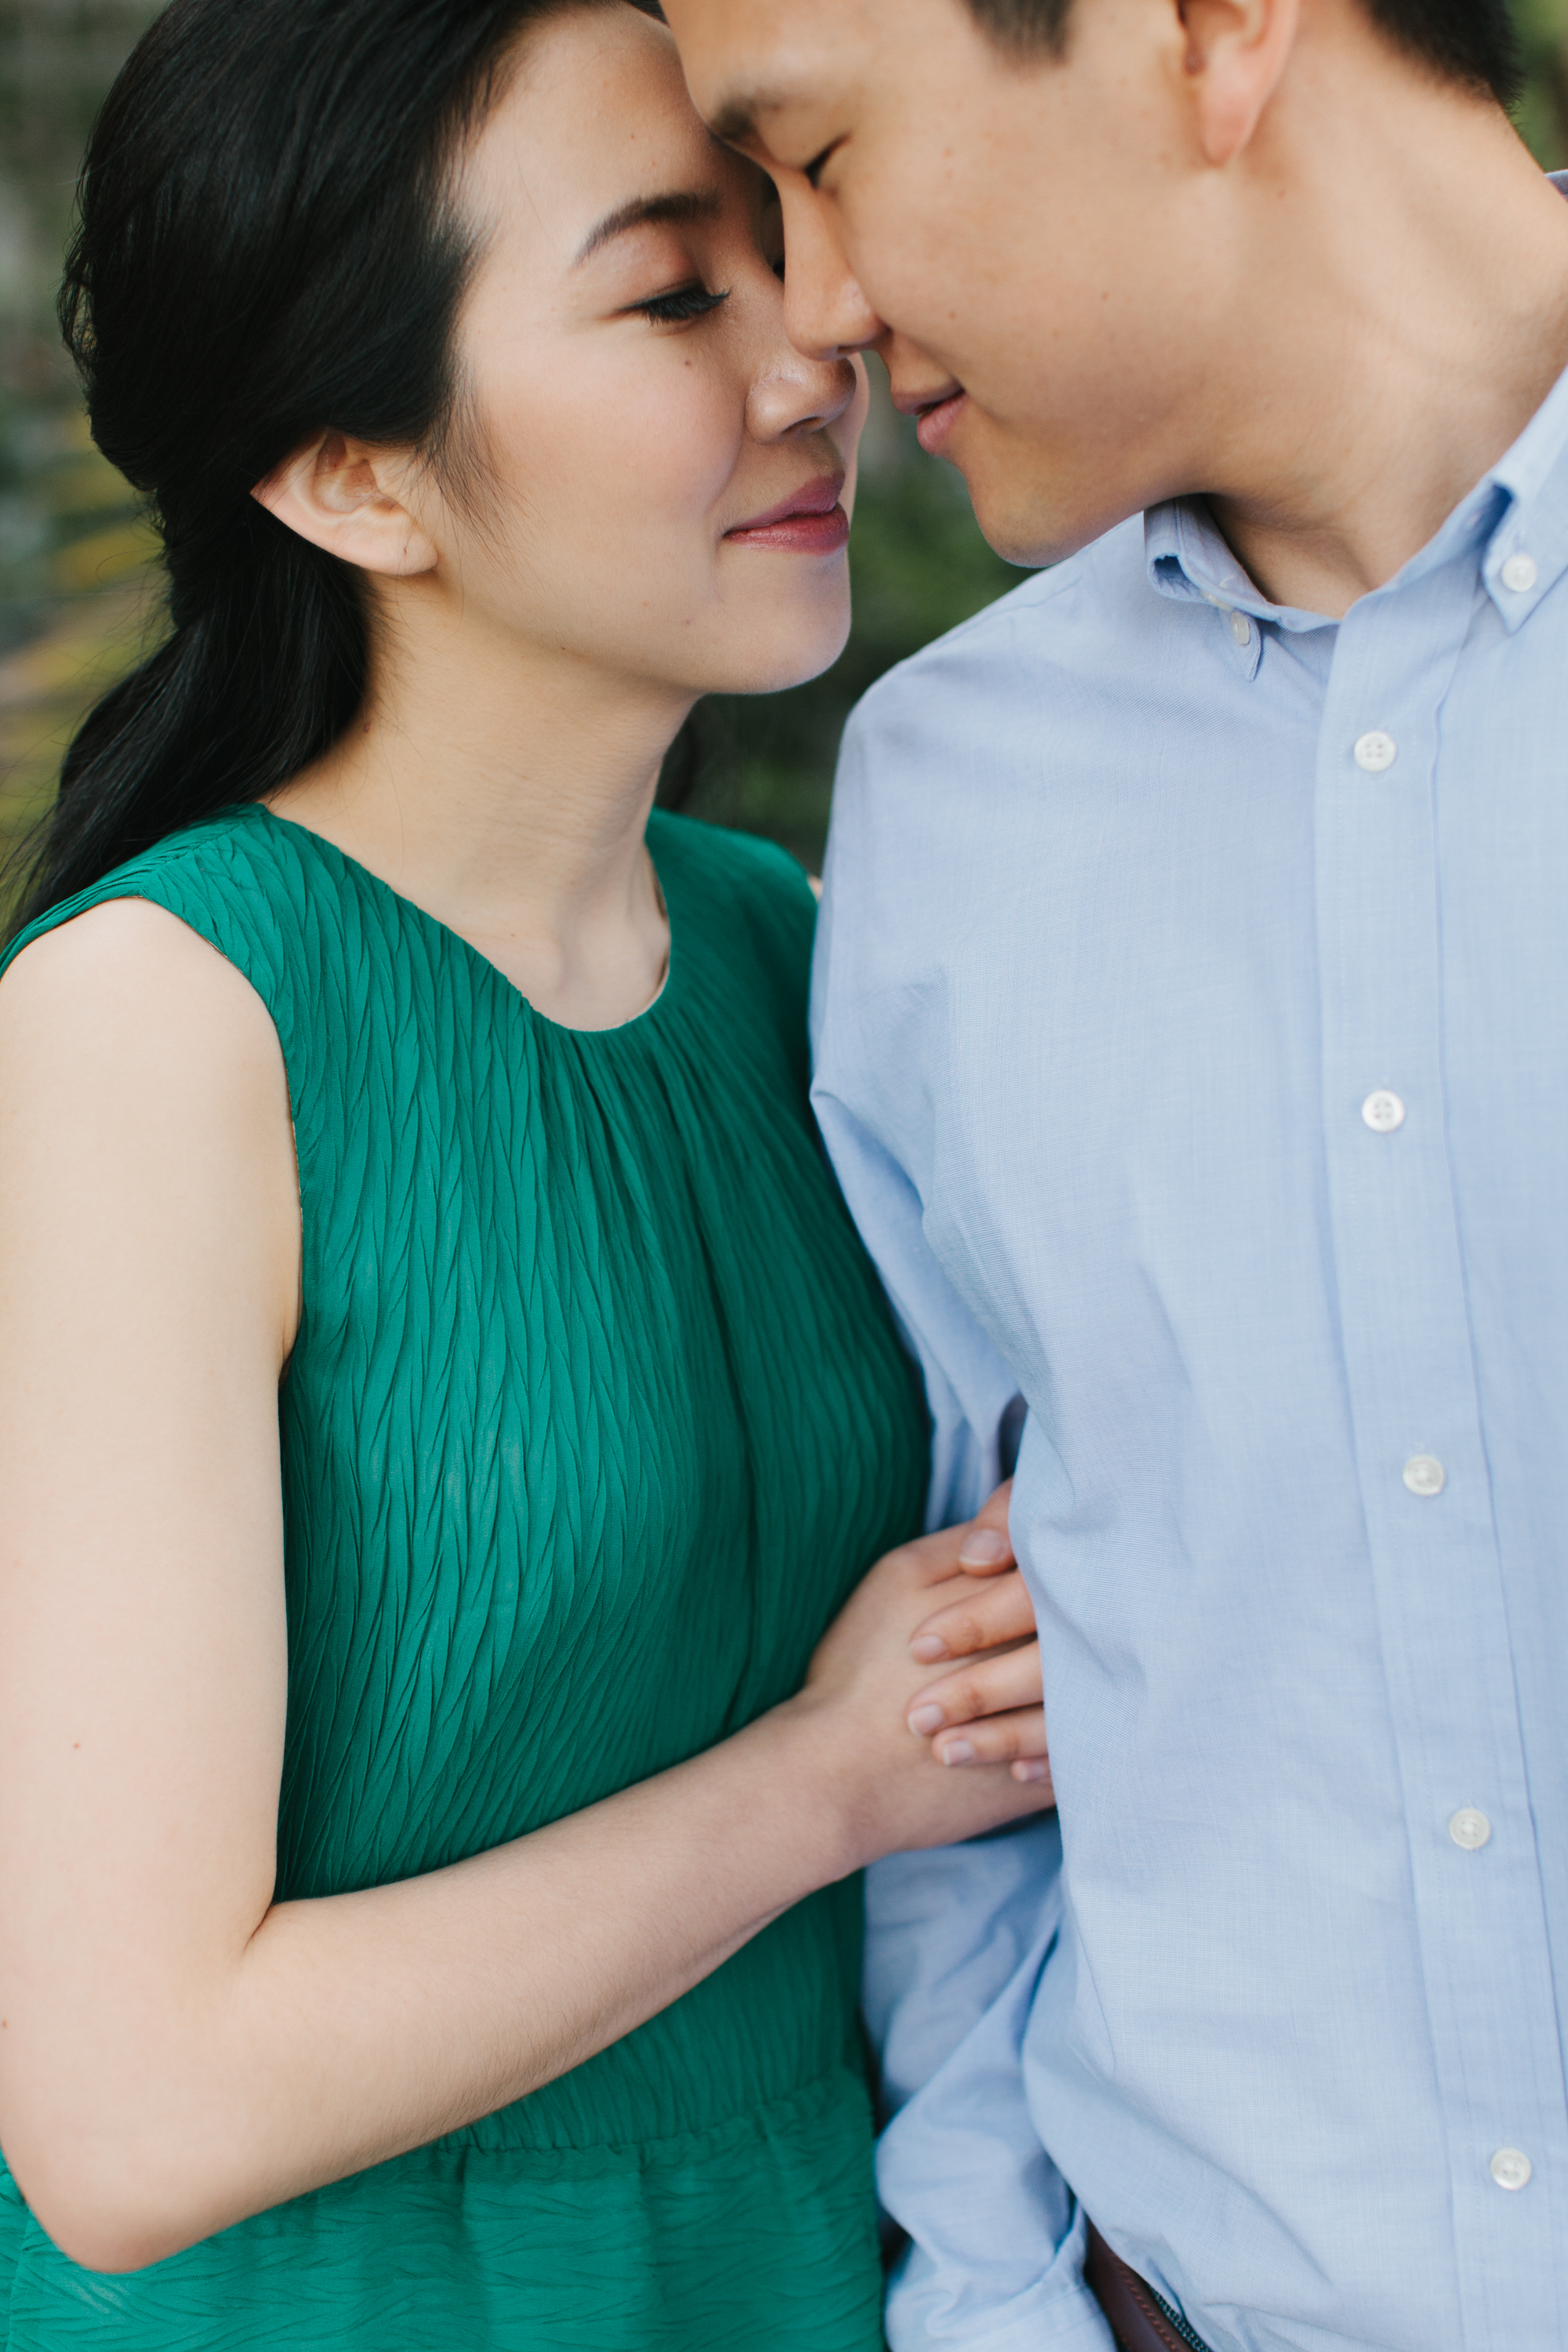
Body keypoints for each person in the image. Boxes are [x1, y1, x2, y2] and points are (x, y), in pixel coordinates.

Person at [0, 2, 1057, 2345]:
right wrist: (823, 1782)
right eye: (677, 291)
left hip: (822, 2281)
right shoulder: (162, 1025)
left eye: (790, 242)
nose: (816, 353)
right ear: (351, 475)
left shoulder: (808, 961)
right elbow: (126, 2117)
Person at [659, 0, 1568, 2347]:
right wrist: (989, 2304)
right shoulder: (946, 807)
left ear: (1213, 30)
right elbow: (995, 1638)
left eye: (830, 153)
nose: (824, 303)